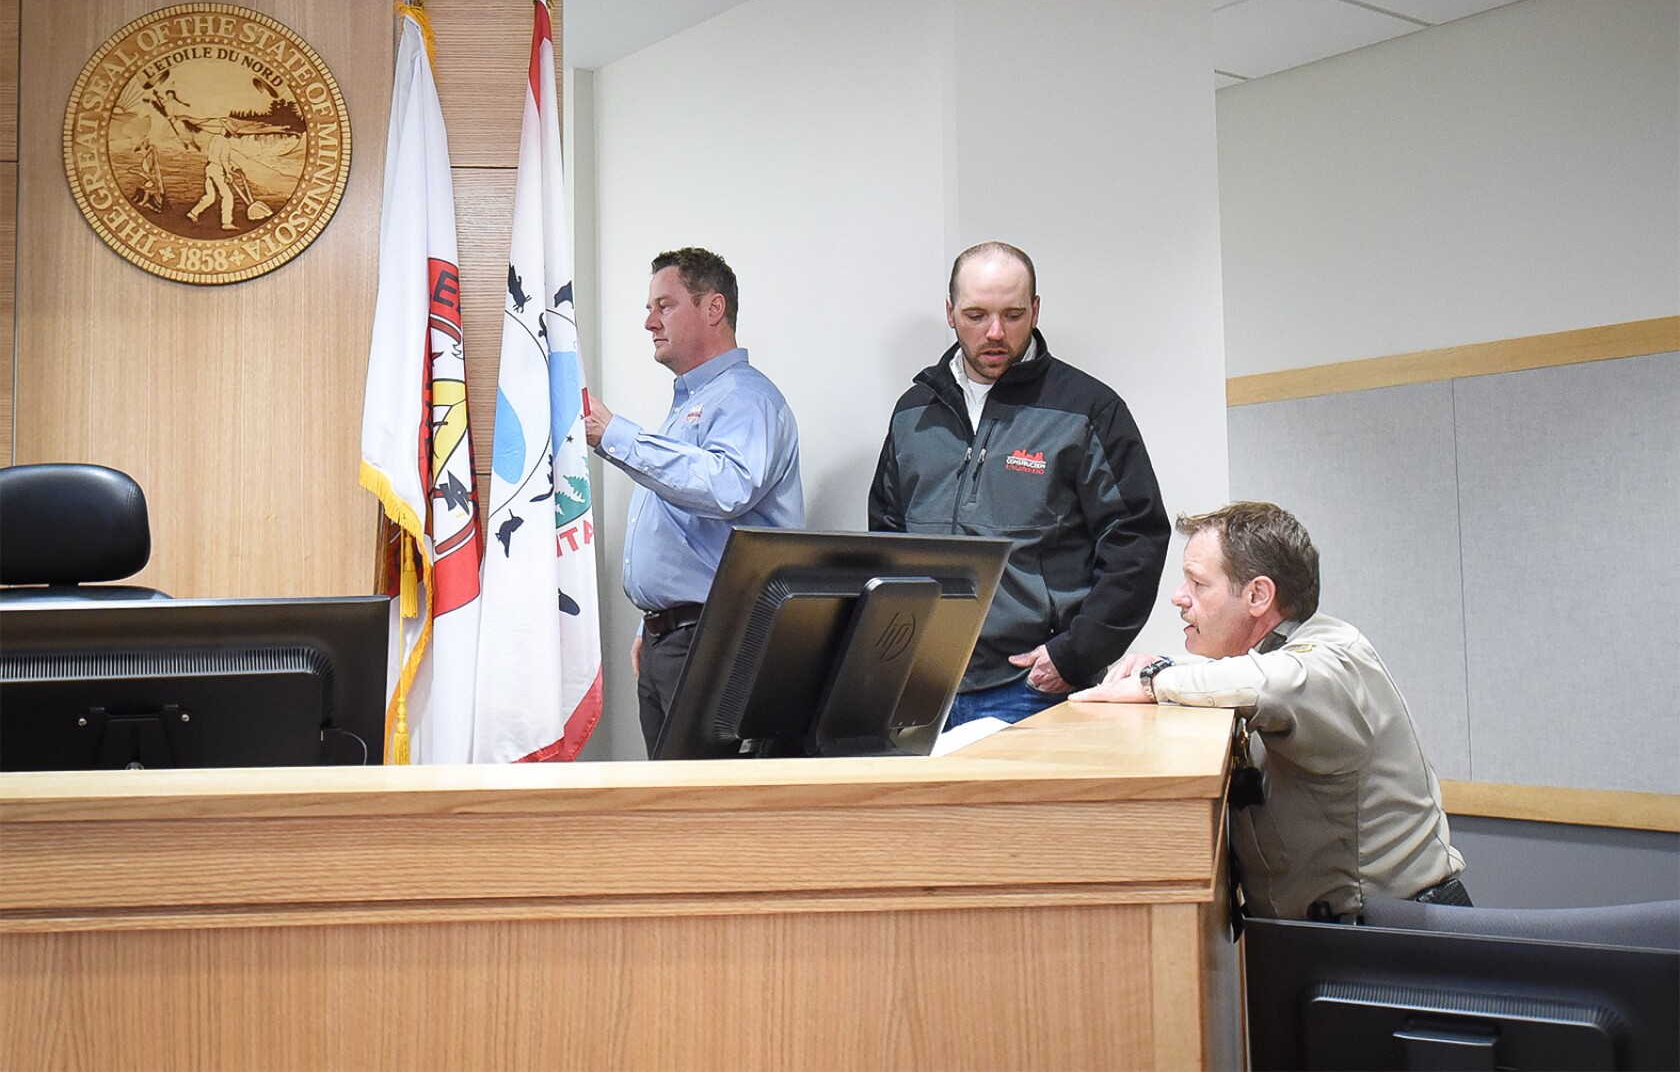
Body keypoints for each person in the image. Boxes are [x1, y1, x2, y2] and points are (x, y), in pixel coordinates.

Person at [1071, 501, 1468, 921]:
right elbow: (1243, 675)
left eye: (1197, 583)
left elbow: (1275, 684)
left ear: (1258, 595)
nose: (1178, 597)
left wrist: (1153, 681)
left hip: (1398, 945)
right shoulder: (1273, 656)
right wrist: (1164, 668)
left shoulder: (1333, 661)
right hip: (1328, 940)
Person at [868, 241, 1168, 726]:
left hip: (1032, 687)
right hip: (922, 686)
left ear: (1035, 310)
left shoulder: (1088, 410)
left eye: (1012, 314)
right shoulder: (913, 412)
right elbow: (886, 538)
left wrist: (1077, 654)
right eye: (975, 315)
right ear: (949, 312)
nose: (994, 333)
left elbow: (1137, 540)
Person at [585, 247, 803, 755]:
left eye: (664, 305)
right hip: (675, 639)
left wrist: (614, 434)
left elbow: (726, 487)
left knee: (707, 815)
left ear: (713, 309)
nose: (648, 322)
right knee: (672, 812)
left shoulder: (746, 400)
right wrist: (655, 621)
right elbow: (684, 531)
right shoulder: (692, 404)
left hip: (717, 640)